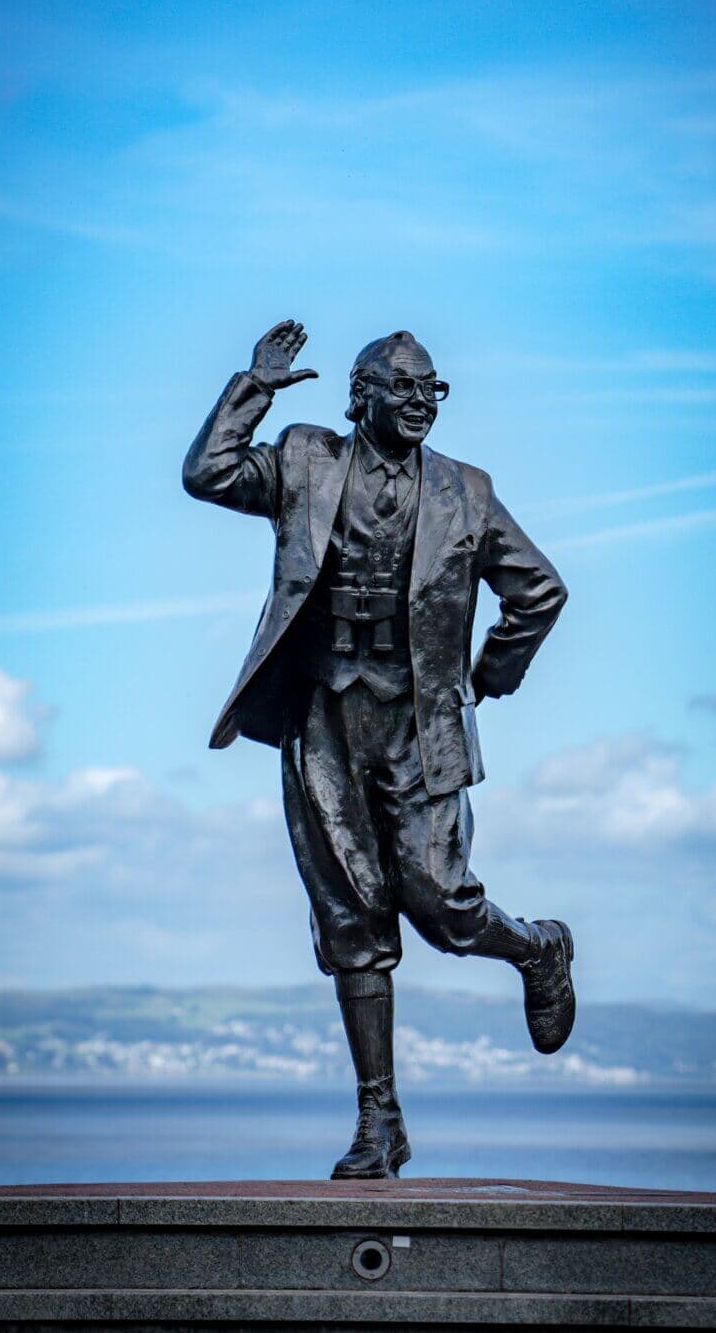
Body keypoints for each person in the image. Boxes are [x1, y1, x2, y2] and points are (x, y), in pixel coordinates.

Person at [183, 319, 575, 1178]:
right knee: (350, 921)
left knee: (441, 903)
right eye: (404, 388)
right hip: (322, 717)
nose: (422, 402)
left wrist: (490, 675)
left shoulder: (466, 492)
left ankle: (537, 948)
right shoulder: (305, 461)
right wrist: (253, 389)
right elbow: (208, 473)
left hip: (417, 725)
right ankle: (379, 1121)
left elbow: (539, 590)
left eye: (433, 389)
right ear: (360, 397)